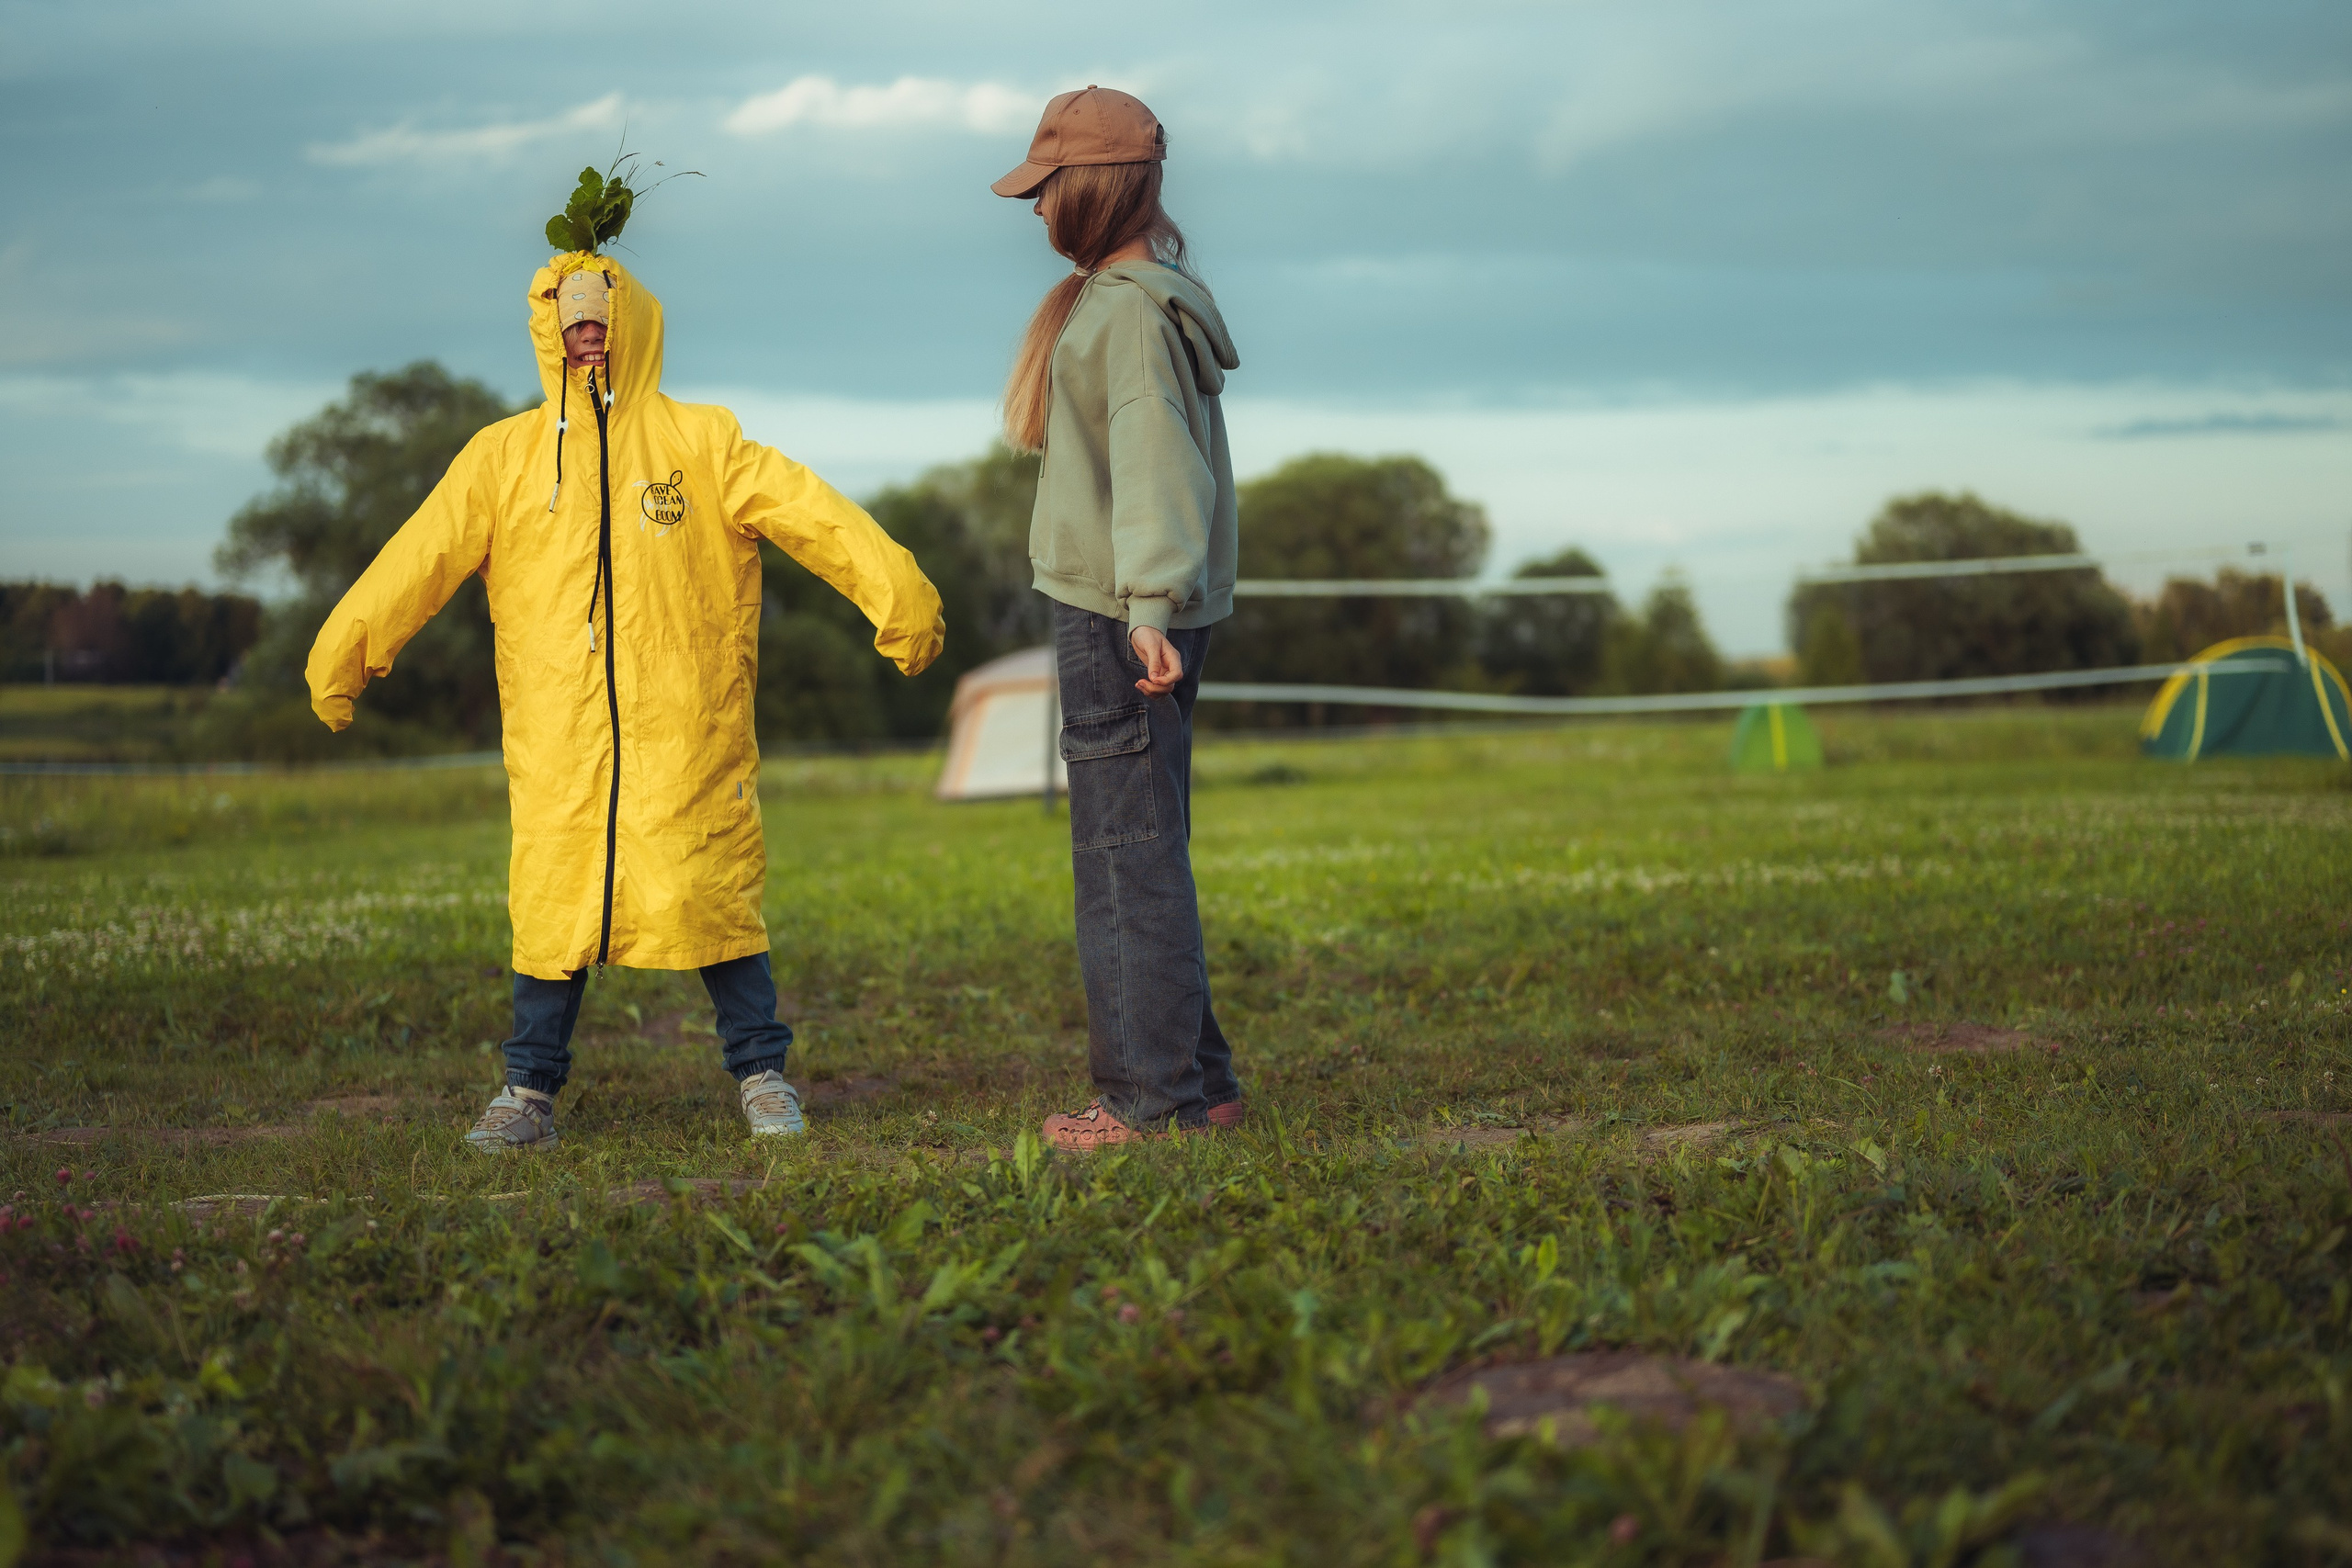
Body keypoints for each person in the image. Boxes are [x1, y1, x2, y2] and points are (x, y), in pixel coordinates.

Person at [306, 223, 944, 1153]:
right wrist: (344, 654)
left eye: (602, 321)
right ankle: (526, 1093)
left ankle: (764, 1077)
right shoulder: (503, 458)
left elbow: (816, 516)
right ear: (547, 334)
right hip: (558, 739)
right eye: (571, 324)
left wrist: (901, 601)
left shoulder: (703, 441)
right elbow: (419, 556)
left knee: (713, 894)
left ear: (633, 325)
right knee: (553, 906)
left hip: (688, 731)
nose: (587, 336)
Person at [991, 87, 1245, 1148]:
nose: (1037, 210)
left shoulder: (1127, 314)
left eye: (1045, 189)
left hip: (1117, 617)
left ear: (1086, 189)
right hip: (1126, 605)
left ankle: (1146, 1104)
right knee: (1144, 846)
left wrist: (1147, 605)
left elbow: (1154, 464)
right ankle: (1205, 1085)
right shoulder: (1139, 296)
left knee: (1121, 857)